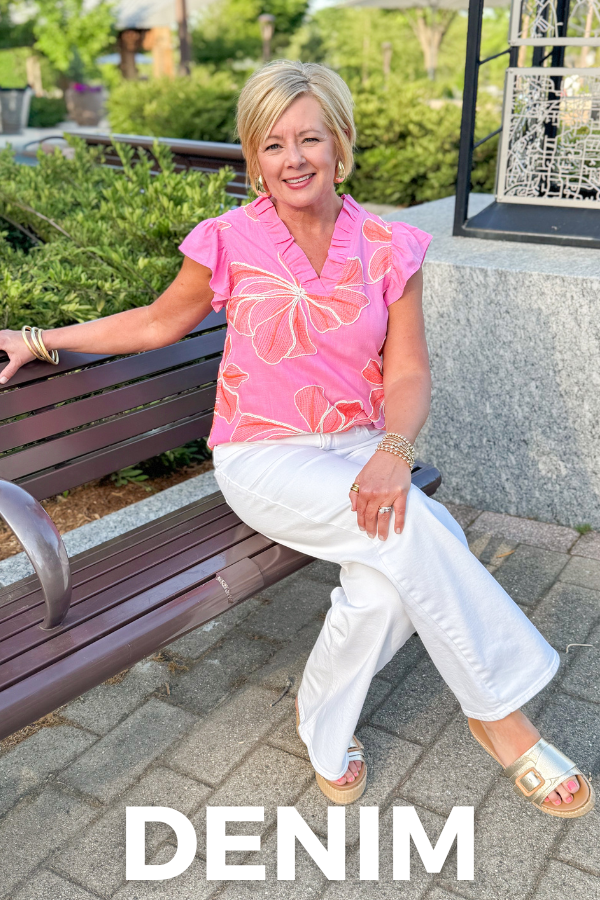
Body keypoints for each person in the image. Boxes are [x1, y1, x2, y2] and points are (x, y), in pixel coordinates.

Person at [0, 60, 593, 816]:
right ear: (254, 157)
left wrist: (391, 452)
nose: (293, 159)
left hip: (357, 448)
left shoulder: (390, 246)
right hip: (263, 457)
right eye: (273, 144)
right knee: (416, 528)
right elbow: (157, 322)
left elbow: (408, 371)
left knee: (382, 587)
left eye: (309, 138)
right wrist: (40, 337)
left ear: (340, 143)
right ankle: (502, 718)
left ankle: (322, 727)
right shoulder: (228, 239)